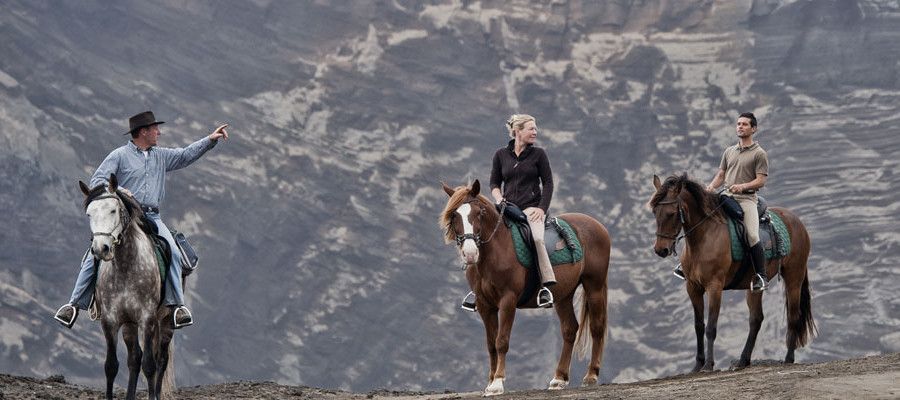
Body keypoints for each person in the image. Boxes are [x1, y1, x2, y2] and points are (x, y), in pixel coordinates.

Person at [54, 111, 229, 329]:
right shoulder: (118, 155)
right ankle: (73, 305)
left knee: (173, 251)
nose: (160, 132)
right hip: (126, 216)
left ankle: (177, 307)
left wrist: (210, 140)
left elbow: (185, 155)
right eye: (156, 129)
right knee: (95, 253)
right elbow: (97, 179)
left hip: (152, 216)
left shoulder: (161, 155)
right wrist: (118, 190)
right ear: (144, 132)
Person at [461, 114, 556, 311]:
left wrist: (541, 208)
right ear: (517, 131)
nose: (535, 132)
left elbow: (547, 183)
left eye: (535, 128)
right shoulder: (500, 155)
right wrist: (498, 198)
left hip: (531, 208)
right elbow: (495, 182)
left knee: (537, 238)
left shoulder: (539, 155)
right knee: (479, 234)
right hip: (505, 207)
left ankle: (545, 286)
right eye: (531, 128)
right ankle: (475, 288)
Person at [674, 112, 769, 292]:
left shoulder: (759, 154)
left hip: (747, 199)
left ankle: (761, 275)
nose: (740, 127)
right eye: (738, 124)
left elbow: (761, 181)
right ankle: (686, 265)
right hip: (725, 196)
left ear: (753, 129)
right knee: (700, 223)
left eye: (745, 124)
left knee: (752, 235)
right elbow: (721, 175)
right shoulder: (729, 151)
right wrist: (710, 188)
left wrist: (742, 186)